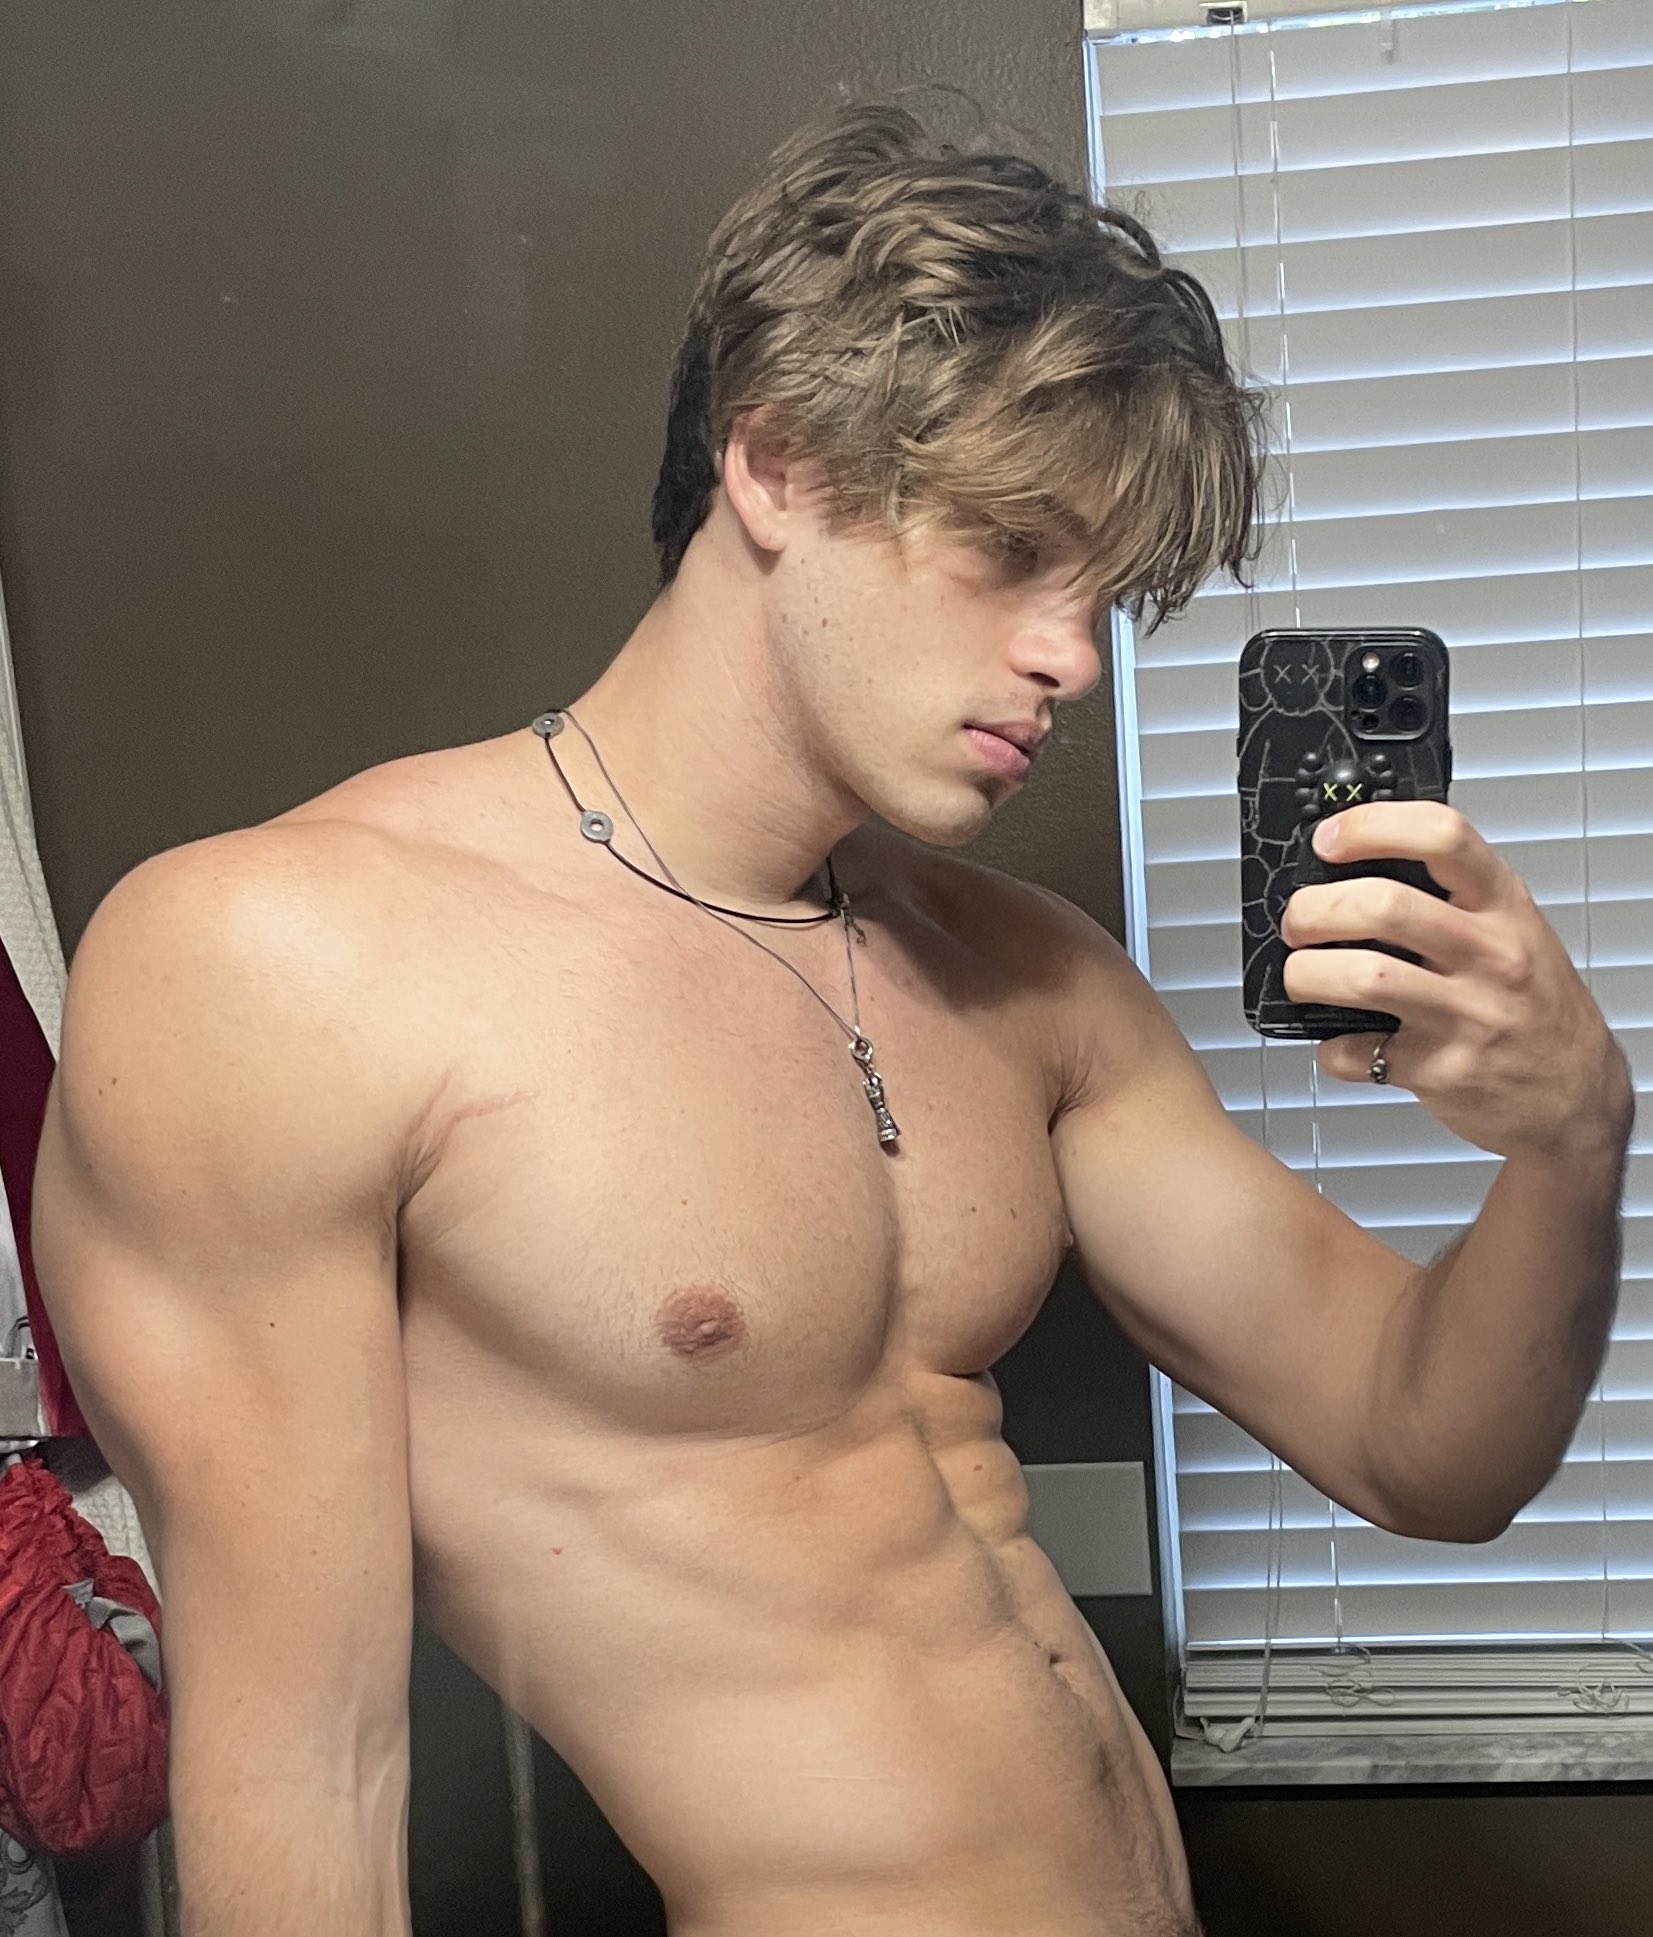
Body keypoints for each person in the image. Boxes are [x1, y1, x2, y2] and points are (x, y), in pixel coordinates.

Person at [31, 101, 1633, 1937]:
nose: (1073, 656)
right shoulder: (281, 961)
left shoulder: (1028, 978)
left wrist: (1572, 1136)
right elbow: (310, 1772)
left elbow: (1423, 1448)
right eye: (1012, 547)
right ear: (777, 460)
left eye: (1104, 594)